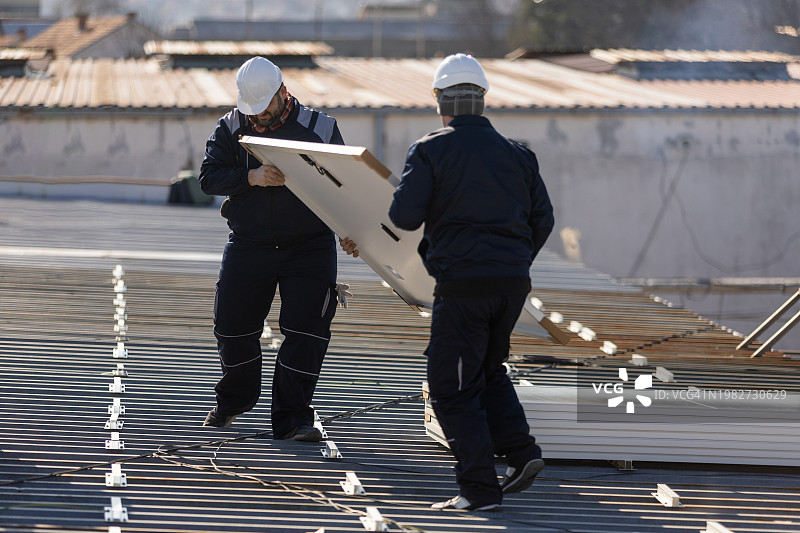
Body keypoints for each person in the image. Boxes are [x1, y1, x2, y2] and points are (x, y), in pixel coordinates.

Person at [388, 53, 554, 511]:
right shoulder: (519, 155)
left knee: (450, 388)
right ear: (482, 101)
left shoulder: (429, 149)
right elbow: (544, 219)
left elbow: (403, 217)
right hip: (510, 285)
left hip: (464, 287)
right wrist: (514, 261)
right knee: (487, 369)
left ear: (439, 100)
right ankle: (522, 455)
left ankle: (479, 491)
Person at [199, 56, 357, 441]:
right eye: (253, 111)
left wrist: (349, 230)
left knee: (307, 332)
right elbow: (207, 177)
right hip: (250, 242)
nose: (260, 118)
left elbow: (345, 188)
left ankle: (294, 419)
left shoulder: (320, 129)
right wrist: (250, 177)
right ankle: (233, 401)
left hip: (309, 247)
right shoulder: (232, 126)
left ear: (283, 93)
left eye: (266, 109)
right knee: (232, 327)